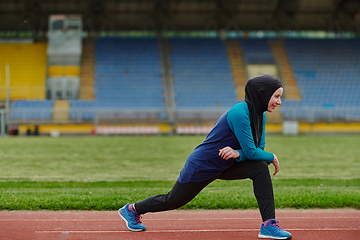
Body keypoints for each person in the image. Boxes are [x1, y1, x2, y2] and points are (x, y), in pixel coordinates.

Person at [119, 74, 292, 240]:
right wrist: (272, 156)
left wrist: (239, 153)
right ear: (263, 94)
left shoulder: (260, 116)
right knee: (174, 200)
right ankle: (132, 209)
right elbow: (254, 152)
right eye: (276, 96)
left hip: (227, 164)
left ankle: (269, 224)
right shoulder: (240, 112)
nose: (279, 102)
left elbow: (258, 149)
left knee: (260, 167)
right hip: (203, 165)